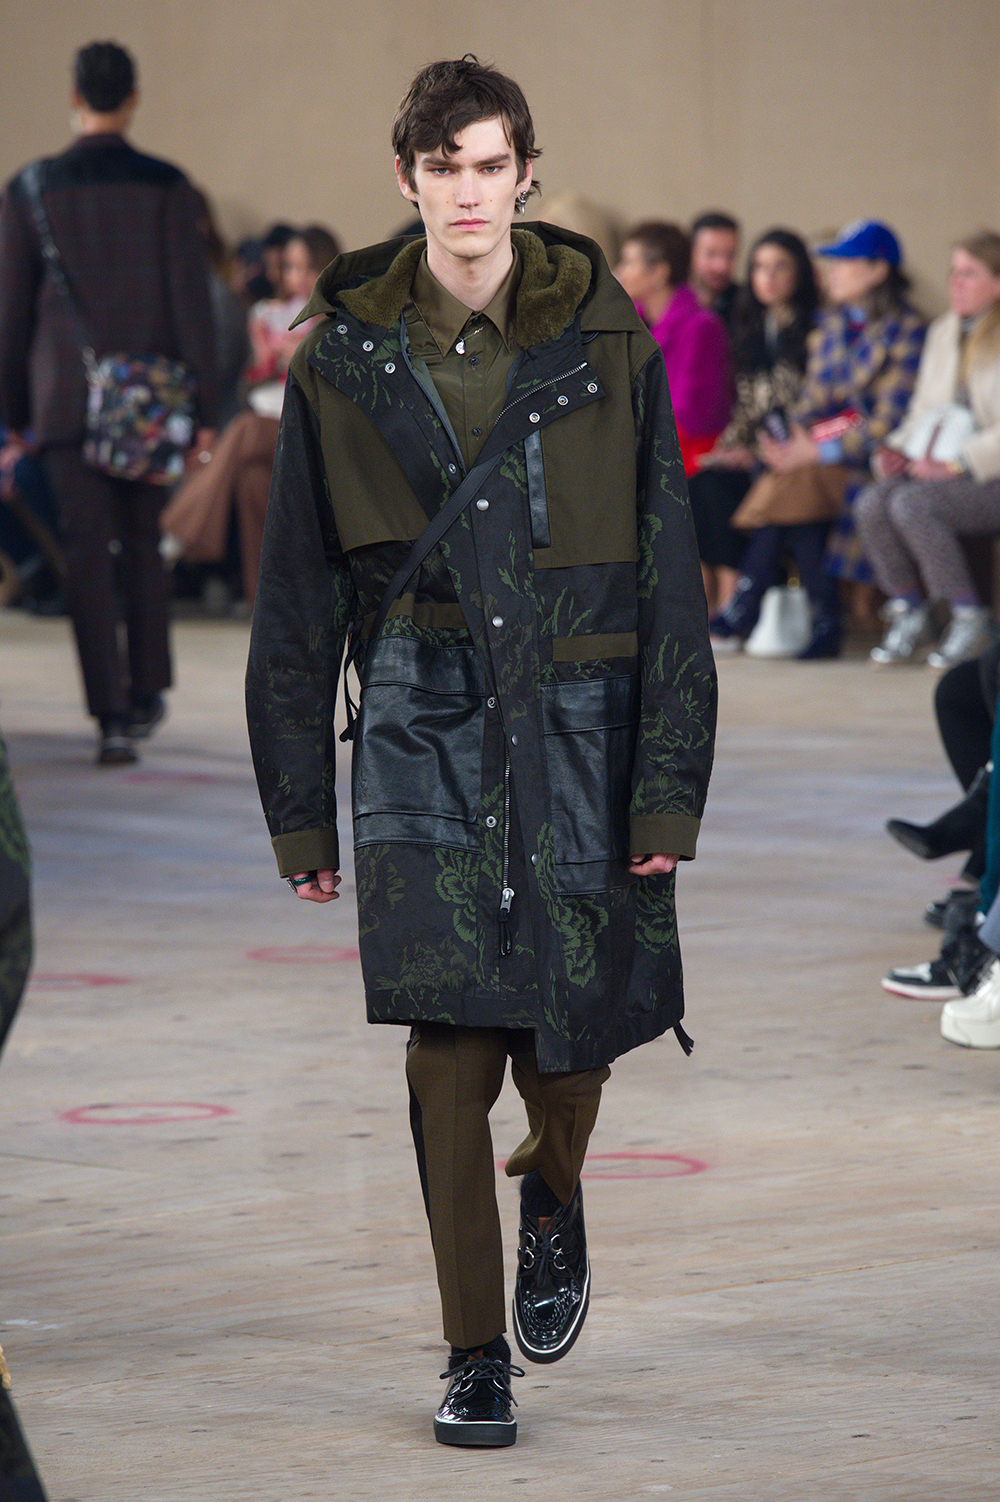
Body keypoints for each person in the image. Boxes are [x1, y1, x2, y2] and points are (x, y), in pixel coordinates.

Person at [246, 56, 716, 1449]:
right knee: (447, 1053)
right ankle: (471, 1352)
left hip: (583, 717)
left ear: (526, 174)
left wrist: (668, 786)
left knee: (572, 1036)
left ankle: (553, 1186)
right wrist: (298, 810)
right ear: (406, 180)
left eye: (489, 163)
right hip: (423, 722)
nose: (467, 190)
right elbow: (295, 595)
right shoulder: (339, 359)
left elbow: (669, 572)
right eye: (442, 166)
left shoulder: (609, 341)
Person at [0, 41, 216, 765]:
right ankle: (148, 689)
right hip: (149, 397)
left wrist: (15, 416)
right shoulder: (169, 187)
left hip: (65, 398)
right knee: (143, 546)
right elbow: (192, 306)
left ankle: (111, 717)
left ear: (74, 96)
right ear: (132, 99)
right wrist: (204, 409)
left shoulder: (30, 189)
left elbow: (12, 315)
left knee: (86, 556)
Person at [710, 219, 925, 658]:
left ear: (878, 269)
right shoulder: (832, 324)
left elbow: (890, 421)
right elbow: (811, 402)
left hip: (869, 460)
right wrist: (792, 442)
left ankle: (746, 608)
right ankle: (822, 617)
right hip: (817, 457)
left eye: (845, 262)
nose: (832, 272)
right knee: (794, 481)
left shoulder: (907, 328)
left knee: (796, 483)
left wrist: (815, 450)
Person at [161, 225, 339, 607]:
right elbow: (247, 386)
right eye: (290, 267)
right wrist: (264, 359)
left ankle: (177, 531)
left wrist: (305, 358)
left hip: (315, 428)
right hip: (270, 418)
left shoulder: (340, 318)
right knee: (252, 479)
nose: (297, 277)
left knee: (243, 429)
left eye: (308, 268)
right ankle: (265, 599)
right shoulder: (269, 313)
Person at [856, 232, 1000, 669]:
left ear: (997, 283)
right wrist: (896, 452)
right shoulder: (944, 331)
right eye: (953, 272)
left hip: (988, 474)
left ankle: (968, 617)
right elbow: (923, 412)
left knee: (913, 504)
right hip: (941, 465)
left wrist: (957, 463)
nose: (956, 282)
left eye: (969, 274)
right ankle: (911, 610)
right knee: (872, 502)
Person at [689, 228, 819, 613]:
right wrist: (730, 450)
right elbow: (746, 409)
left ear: (800, 274)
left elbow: (810, 409)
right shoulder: (749, 327)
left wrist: (756, 455)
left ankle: (735, 600)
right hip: (757, 450)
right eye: (760, 267)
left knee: (717, 490)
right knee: (701, 481)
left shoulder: (815, 330)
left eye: (781, 267)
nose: (768, 277)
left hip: (798, 452)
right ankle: (709, 601)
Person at [614, 221, 732, 475]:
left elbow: (689, 416)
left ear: (659, 273)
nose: (620, 272)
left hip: (681, 461)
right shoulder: (626, 323)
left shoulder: (701, 327)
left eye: (629, 263)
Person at [690, 211, 741, 330]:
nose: (722, 266)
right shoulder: (668, 302)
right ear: (691, 253)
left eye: (730, 255)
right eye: (711, 254)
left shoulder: (746, 304)